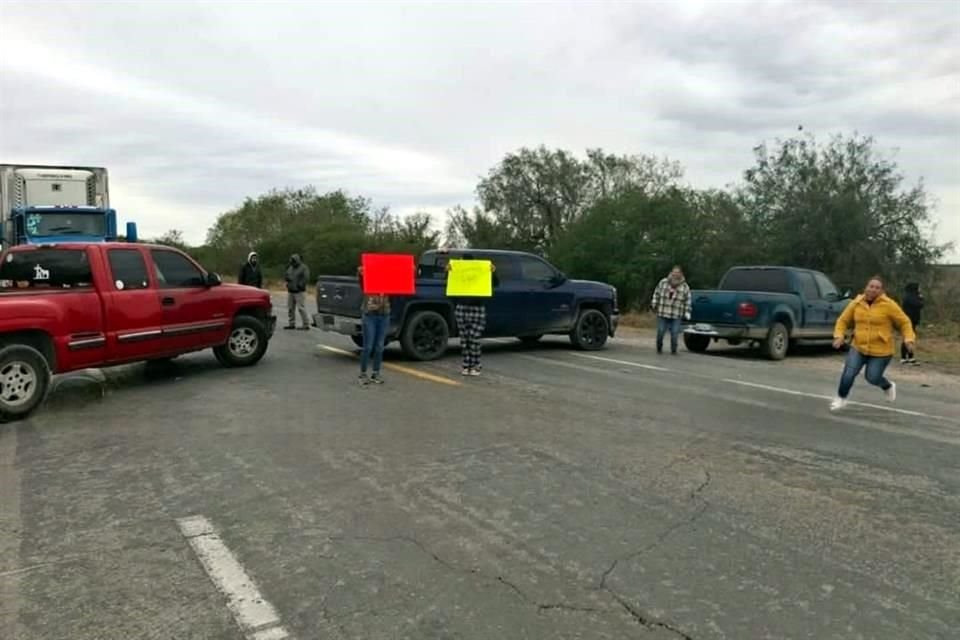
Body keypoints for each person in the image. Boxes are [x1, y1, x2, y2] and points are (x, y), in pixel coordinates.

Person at [830, 276, 916, 411]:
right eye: (871, 286)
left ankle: (887, 386)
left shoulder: (889, 305)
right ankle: (841, 398)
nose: (873, 289)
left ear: (881, 291)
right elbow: (843, 321)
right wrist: (839, 336)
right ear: (866, 287)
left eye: (877, 288)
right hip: (858, 346)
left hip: (881, 350)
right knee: (848, 373)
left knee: (872, 377)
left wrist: (908, 339)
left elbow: (904, 322)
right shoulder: (856, 303)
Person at [448, 259, 496, 376]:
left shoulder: (482, 274)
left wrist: (493, 272)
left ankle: (476, 365)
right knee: (464, 340)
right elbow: (450, 285)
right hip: (461, 307)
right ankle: (466, 365)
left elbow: (494, 284)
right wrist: (448, 272)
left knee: (474, 338)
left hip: (477, 308)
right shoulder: (458, 274)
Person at [356, 266, 390, 385]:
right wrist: (360, 273)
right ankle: (363, 374)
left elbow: (403, 283)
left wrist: (410, 271)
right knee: (368, 346)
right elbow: (361, 280)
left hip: (384, 316)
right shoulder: (368, 283)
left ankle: (376, 373)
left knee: (380, 346)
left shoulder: (388, 284)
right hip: (370, 316)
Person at [651, 265, 692, 354]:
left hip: (676, 314)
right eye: (674, 272)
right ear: (671, 272)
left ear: (681, 274)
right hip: (663, 312)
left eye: (677, 272)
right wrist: (654, 304)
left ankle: (674, 350)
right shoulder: (663, 282)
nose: (675, 274)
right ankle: (659, 347)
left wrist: (687, 311)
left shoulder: (685, 287)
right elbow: (656, 293)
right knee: (660, 332)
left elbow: (687, 300)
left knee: (674, 334)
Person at [284, 253, 311, 330]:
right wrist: (287, 279)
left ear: (297, 260)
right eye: (291, 261)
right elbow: (287, 275)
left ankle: (306, 324)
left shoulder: (303, 268)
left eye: (293, 261)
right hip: (291, 290)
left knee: (301, 308)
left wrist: (300, 285)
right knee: (290, 308)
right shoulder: (290, 267)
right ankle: (291, 323)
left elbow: (306, 278)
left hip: (299, 291)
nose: (292, 262)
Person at [901, 282, 924, 365]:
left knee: (909, 338)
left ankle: (908, 357)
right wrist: (921, 298)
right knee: (908, 338)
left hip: (910, 320)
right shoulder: (911, 297)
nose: (920, 289)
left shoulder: (909, 296)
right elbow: (920, 305)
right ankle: (905, 357)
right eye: (918, 287)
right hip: (909, 321)